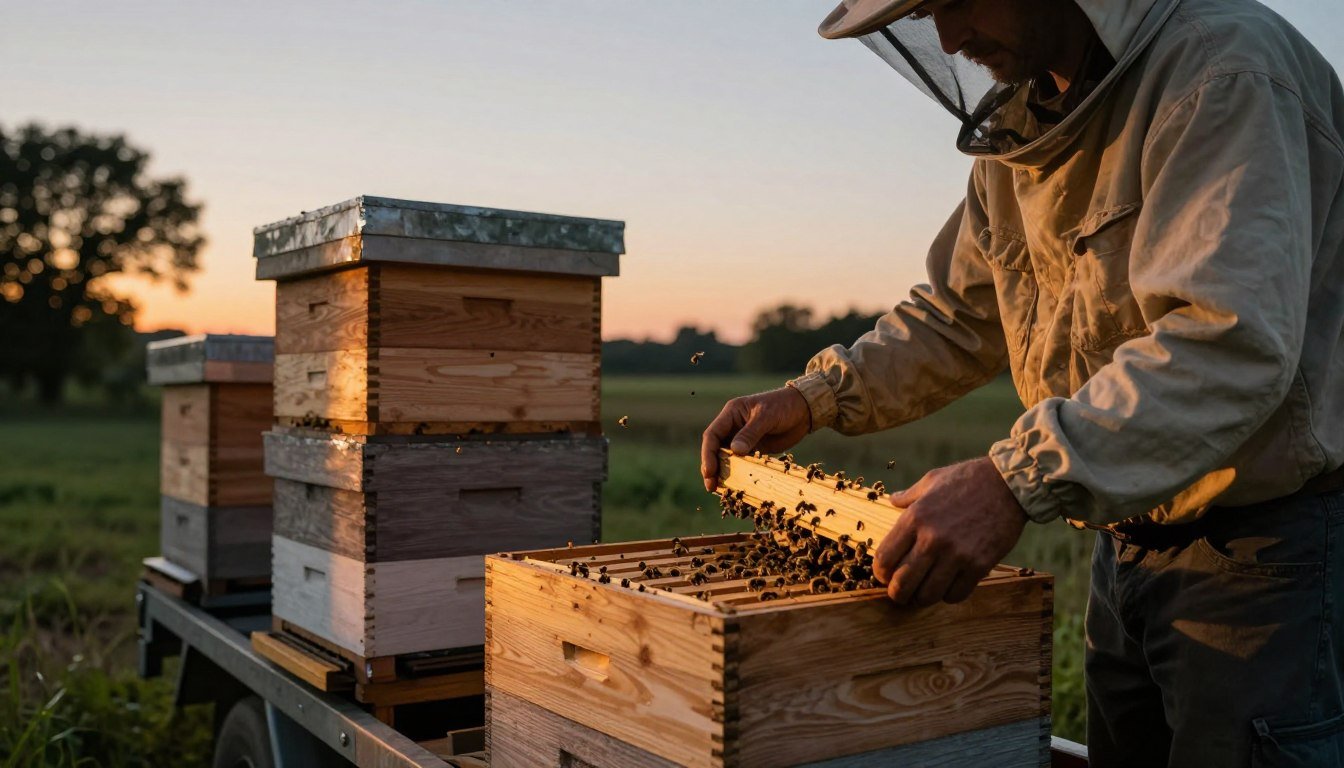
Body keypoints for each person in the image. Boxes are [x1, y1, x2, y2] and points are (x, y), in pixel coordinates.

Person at [700, 0, 1344, 765]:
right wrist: (816, 396)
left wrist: (1012, 481)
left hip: (1265, 555)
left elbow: (1226, 343)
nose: (947, 38)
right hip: (1124, 541)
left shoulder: (1223, 71)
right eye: (925, 13)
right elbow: (958, 313)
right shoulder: (1026, 125)